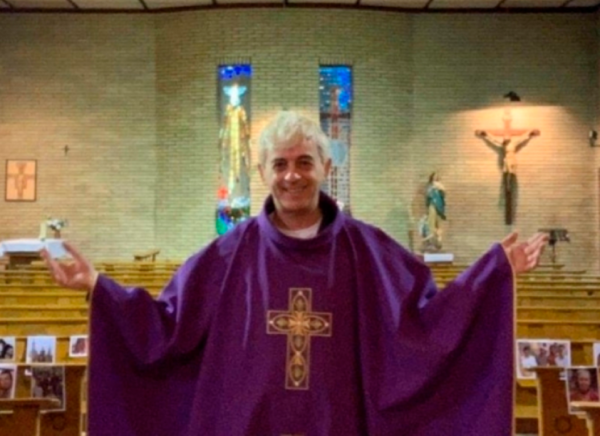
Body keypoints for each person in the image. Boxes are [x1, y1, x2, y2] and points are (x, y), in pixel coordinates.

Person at [42, 111, 547, 436]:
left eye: (305, 162)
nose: (292, 175)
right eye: (280, 164)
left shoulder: (368, 250)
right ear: (263, 172)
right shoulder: (228, 254)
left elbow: (426, 326)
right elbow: (169, 326)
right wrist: (97, 287)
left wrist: (492, 275)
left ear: (326, 167)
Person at [424, 172, 446, 249]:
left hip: (439, 206)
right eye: (434, 176)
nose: (436, 178)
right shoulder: (430, 186)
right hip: (432, 205)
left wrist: (440, 188)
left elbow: (443, 193)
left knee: (439, 224)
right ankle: (433, 241)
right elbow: (428, 195)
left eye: (437, 176)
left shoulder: (440, 185)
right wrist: (432, 189)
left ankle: (439, 240)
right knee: (431, 223)